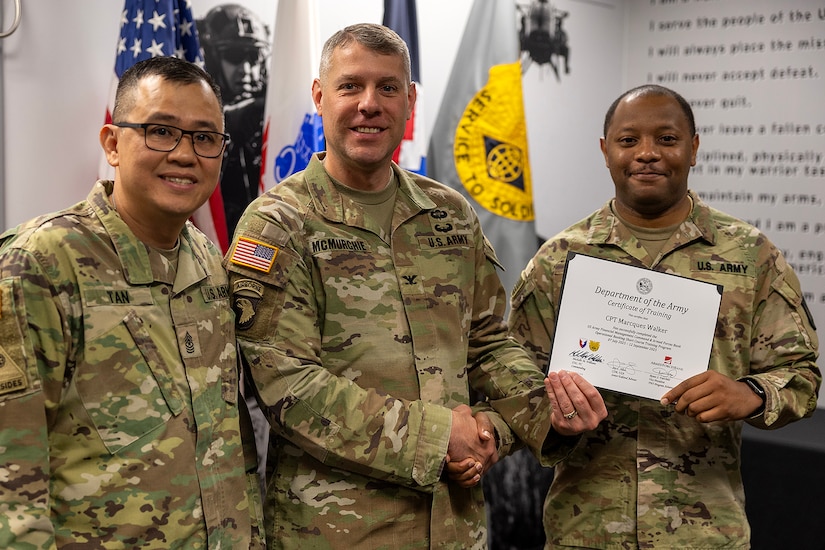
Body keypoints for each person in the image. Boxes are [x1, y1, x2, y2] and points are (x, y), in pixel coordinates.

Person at [225, 23, 558, 549]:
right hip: (338, 531)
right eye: (349, 86)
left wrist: (501, 427)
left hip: (454, 524)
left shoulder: (448, 214)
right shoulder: (278, 224)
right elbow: (288, 387)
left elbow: (490, 343)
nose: (369, 104)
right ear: (318, 96)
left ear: (410, 100)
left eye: (387, 88)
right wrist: (438, 437)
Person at [509, 84, 821, 548]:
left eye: (668, 139)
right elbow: (511, 382)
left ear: (694, 149)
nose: (648, 154)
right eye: (629, 139)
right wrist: (552, 415)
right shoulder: (559, 260)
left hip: (704, 530)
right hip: (587, 529)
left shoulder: (751, 256)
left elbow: (801, 376)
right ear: (605, 150)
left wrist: (750, 394)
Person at [0, 57, 263, 548]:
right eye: (161, 131)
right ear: (112, 144)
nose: (185, 154)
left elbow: (231, 439)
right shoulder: (42, 262)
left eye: (205, 138)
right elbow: (10, 476)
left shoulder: (207, 260)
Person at [198, 3, 271, 238]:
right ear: (212, 57)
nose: (246, 69)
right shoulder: (190, 107)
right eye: (234, 56)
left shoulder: (274, 108)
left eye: (254, 56)